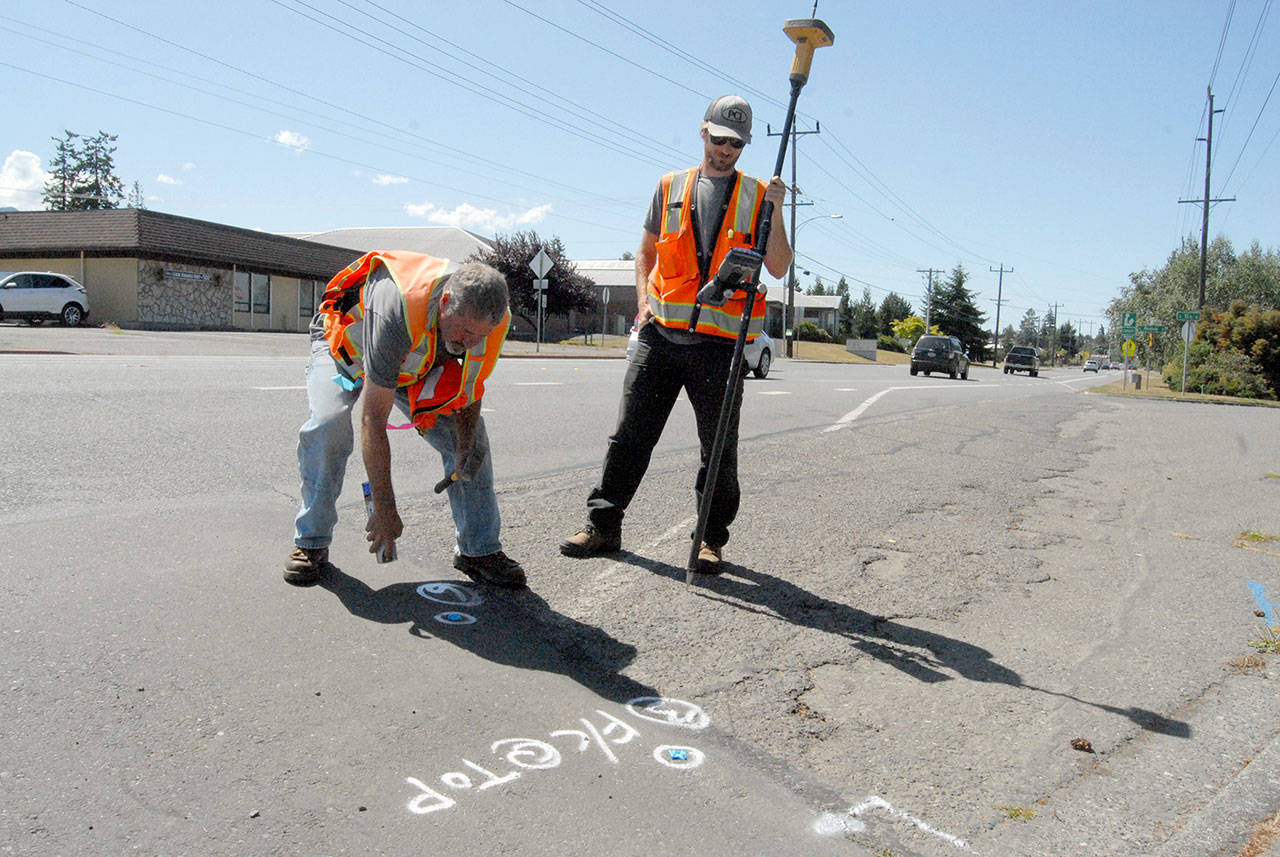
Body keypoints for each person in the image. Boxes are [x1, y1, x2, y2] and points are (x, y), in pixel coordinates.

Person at [560, 95, 791, 573]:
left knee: (719, 450)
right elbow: (645, 252)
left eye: (736, 144)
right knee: (629, 438)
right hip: (659, 336)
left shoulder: (755, 196)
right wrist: (644, 302)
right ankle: (603, 525)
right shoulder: (670, 186)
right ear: (703, 132)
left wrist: (778, 210)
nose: (726, 149)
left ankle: (710, 539)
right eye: (719, 139)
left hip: (719, 345)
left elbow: (780, 266)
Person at [285, 251, 525, 589]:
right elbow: (373, 420)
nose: (471, 342)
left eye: (479, 335)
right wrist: (384, 508)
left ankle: (478, 550)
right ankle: (310, 543)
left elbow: (469, 385)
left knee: (473, 446)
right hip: (346, 347)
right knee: (329, 426)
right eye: (466, 331)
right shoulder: (397, 307)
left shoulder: (488, 320)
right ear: (445, 303)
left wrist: (465, 445)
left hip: (414, 361)